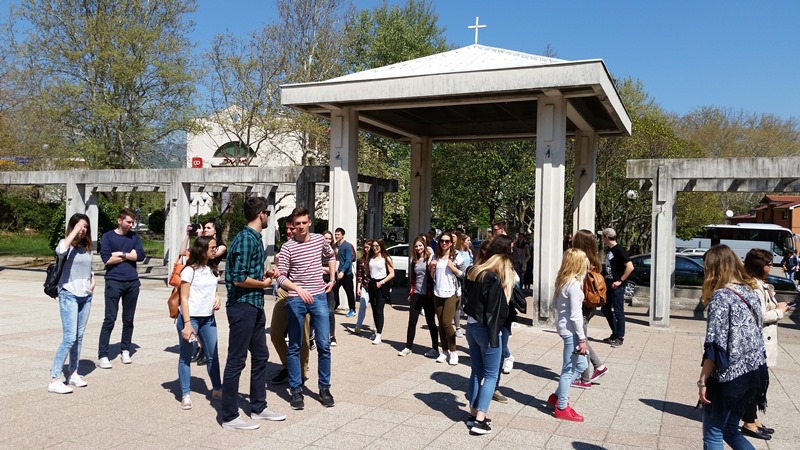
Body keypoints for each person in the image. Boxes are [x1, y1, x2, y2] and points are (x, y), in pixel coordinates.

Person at [221, 196, 285, 431]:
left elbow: (248, 273)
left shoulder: (254, 238)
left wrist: (266, 274)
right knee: (236, 360)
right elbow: (239, 279)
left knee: (260, 356)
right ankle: (229, 416)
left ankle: (258, 407)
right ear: (261, 214)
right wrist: (264, 284)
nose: (268, 217)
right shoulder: (246, 239)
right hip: (242, 306)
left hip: (254, 306)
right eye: (267, 213)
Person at [698, 245, 768, 449]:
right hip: (754, 373)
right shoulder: (750, 291)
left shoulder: (721, 296)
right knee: (730, 429)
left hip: (729, 378)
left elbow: (715, 345)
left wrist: (702, 381)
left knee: (713, 433)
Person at [276, 207, 336, 411]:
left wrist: (332, 279)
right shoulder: (288, 247)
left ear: (310, 222)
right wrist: (297, 289)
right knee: (294, 345)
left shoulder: (319, 240)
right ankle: (296, 389)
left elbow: (331, 256)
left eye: (304, 223)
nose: (300, 227)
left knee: (324, 345)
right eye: (297, 224)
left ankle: (324, 388)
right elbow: (281, 276)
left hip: (318, 297)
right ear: (293, 225)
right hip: (296, 299)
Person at [462, 236, 513, 435]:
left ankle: (473, 414)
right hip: (488, 330)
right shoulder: (497, 277)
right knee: (491, 375)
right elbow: (503, 306)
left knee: (476, 371)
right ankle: (480, 420)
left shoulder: (476, 271)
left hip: (471, 327)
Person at [740, 248, 789, 440]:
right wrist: (779, 312)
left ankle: (753, 419)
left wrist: (778, 307)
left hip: (761, 342)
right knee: (755, 383)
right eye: (769, 263)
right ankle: (749, 422)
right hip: (757, 343)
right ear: (760, 266)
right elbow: (758, 316)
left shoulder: (759, 284)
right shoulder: (754, 287)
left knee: (758, 383)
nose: (771, 266)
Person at [48, 213, 95, 394]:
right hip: (69, 293)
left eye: (85, 227)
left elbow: (88, 267)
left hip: (85, 295)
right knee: (69, 337)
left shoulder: (86, 247)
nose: (83, 230)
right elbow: (60, 250)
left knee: (79, 336)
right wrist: (74, 232)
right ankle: (54, 378)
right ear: (73, 227)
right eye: (80, 226)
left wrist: (92, 280)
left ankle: (73, 372)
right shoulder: (65, 244)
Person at [176, 236, 222, 410]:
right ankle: (185, 394)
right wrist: (187, 324)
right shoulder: (189, 270)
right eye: (212, 247)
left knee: (212, 355)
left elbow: (213, 289)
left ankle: (217, 388)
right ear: (202, 249)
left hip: (208, 318)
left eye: (215, 247)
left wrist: (217, 297)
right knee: (185, 356)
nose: (215, 250)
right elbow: (184, 297)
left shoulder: (213, 269)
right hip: (191, 318)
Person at [97, 208, 145, 369]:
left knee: (128, 319)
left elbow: (140, 256)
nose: (131, 225)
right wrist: (129, 255)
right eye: (128, 222)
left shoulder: (135, 237)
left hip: (132, 282)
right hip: (114, 281)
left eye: (133, 222)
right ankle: (103, 355)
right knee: (109, 318)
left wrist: (121, 254)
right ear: (120, 220)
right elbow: (107, 259)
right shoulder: (108, 237)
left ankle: (125, 349)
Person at [547, 248, 589, 422]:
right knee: (569, 369)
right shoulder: (573, 284)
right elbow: (575, 315)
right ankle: (562, 406)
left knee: (581, 365)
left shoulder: (563, 281)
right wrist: (582, 338)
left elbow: (554, 304)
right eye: (584, 260)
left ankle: (557, 396)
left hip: (565, 328)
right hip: (571, 331)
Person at [268, 216, 311, 386]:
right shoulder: (284, 247)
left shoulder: (308, 245)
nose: (289, 231)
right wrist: (274, 271)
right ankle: (288, 366)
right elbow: (281, 272)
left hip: (302, 296)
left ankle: (301, 372)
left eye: (291, 228)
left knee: (303, 338)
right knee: (275, 333)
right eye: (286, 228)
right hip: (284, 293)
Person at [180, 219, 227, 366]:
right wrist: (189, 236)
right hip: (197, 283)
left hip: (210, 282)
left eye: (208, 228)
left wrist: (204, 242)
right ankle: (201, 348)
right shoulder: (200, 249)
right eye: (204, 228)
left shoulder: (219, 247)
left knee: (206, 325)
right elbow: (183, 253)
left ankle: (204, 350)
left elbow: (213, 254)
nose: (205, 230)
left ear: (216, 230)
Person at [571, 229, 609, 388]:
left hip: (582, 304)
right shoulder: (595, 259)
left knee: (581, 341)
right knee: (582, 339)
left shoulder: (581, 260)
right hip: (591, 304)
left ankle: (586, 378)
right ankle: (597, 367)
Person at [398, 236, 439, 357]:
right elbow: (413, 279)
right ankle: (408, 346)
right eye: (416, 246)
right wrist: (411, 292)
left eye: (420, 245)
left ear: (424, 246)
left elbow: (434, 276)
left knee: (430, 321)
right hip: (416, 294)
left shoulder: (430, 258)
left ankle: (435, 348)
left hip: (428, 294)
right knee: (412, 321)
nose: (418, 248)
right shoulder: (414, 260)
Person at [431, 231, 465, 365]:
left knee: (447, 322)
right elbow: (432, 276)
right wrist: (432, 268)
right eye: (442, 241)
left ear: (451, 243)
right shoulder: (436, 256)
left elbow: (464, 274)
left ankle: (453, 351)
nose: (444, 243)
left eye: (447, 241)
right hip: (438, 292)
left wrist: (453, 268)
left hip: (452, 293)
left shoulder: (456, 257)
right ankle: (444, 351)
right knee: (440, 323)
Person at [598, 228, 633, 348]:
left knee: (618, 311)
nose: (602, 239)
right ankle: (615, 333)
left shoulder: (619, 250)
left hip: (617, 286)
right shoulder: (610, 250)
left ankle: (620, 337)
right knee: (605, 309)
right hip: (608, 284)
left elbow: (630, 267)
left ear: (607, 237)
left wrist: (620, 281)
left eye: (602, 236)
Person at [367, 239, 395, 345]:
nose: (375, 248)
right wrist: (368, 278)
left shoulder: (386, 258)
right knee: (374, 309)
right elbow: (367, 269)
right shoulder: (370, 257)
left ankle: (379, 334)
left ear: (381, 246)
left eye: (377, 246)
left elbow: (392, 273)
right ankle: (376, 331)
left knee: (379, 310)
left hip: (382, 284)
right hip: (373, 283)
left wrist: (382, 282)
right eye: (373, 246)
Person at [453, 232, 473, 339]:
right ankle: (457, 327)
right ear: (462, 241)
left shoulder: (469, 251)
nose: (469, 242)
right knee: (458, 304)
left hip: (469, 279)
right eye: (468, 240)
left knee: (469, 302)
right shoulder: (456, 253)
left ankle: (469, 324)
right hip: (460, 280)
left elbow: (472, 263)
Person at [351, 239, 373, 334]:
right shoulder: (362, 259)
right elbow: (360, 274)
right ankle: (358, 326)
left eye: (368, 247)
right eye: (365, 247)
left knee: (375, 307)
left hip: (374, 286)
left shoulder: (375, 259)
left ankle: (376, 329)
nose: (366, 249)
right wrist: (358, 287)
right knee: (362, 305)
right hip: (365, 285)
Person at [334, 228, 357, 318]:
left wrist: (343, 271)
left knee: (349, 292)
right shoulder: (334, 246)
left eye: (338, 234)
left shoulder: (347, 246)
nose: (336, 236)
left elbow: (348, 260)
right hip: (336, 273)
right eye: (335, 234)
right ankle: (335, 305)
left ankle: (352, 310)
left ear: (343, 235)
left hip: (347, 274)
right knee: (334, 290)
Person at [322, 231, 339, 347]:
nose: (328, 241)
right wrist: (327, 269)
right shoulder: (316, 251)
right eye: (326, 238)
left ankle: (332, 336)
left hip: (331, 283)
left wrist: (323, 269)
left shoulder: (335, 251)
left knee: (330, 311)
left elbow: (335, 269)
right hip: (318, 283)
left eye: (329, 239)